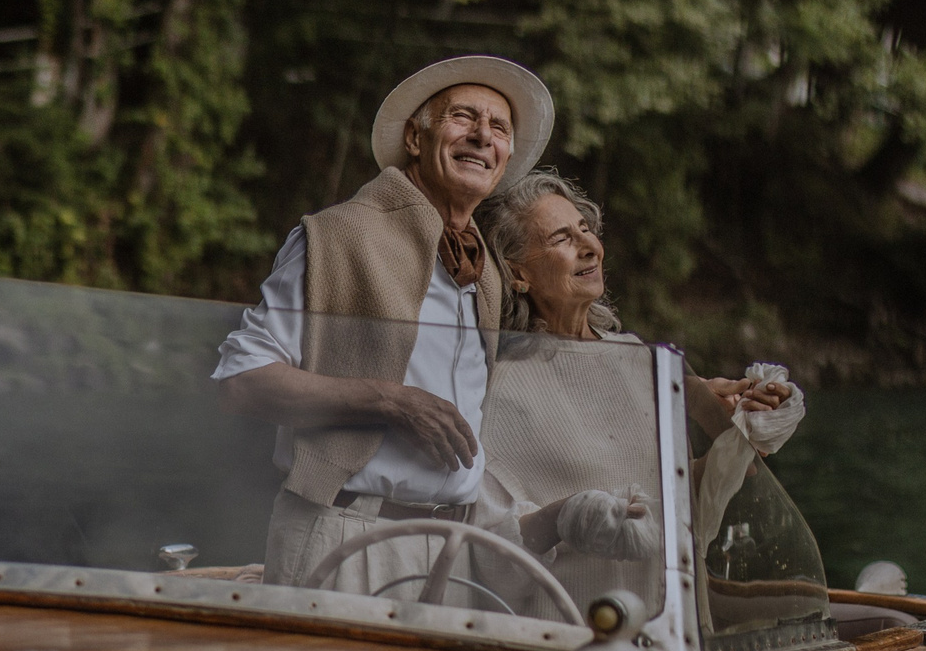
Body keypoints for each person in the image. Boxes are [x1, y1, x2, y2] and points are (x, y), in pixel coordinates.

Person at [214, 56, 553, 594]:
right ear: (415, 138)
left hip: (455, 546)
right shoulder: (340, 234)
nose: (483, 136)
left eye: (499, 128)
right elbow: (242, 381)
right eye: (463, 117)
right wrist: (392, 403)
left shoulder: (484, 267)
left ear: (507, 154)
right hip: (345, 533)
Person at [467, 169, 806, 621]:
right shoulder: (499, 384)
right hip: (571, 641)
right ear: (516, 272)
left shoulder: (639, 359)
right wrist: (563, 517)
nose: (589, 246)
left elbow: (685, 503)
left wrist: (746, 431)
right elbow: (486, 560)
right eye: (562, 238)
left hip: (675, 632)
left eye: (586, 229)